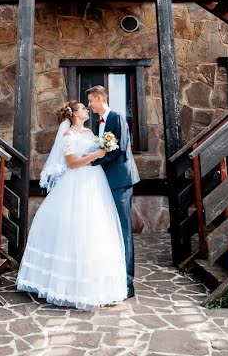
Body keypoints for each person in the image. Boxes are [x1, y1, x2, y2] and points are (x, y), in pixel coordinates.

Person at [15, 100, 128, 309]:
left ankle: (96, 285)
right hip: (77, 184)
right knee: (76, 230)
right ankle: (67, 285)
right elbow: (72, 163)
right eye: (83, 108)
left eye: (86, 107)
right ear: (74, 114)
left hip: (95, 183)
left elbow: (93, 152)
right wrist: (97, 154)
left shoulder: (88, 133)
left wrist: (104, 146)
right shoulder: (68, 136)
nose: (87, 110)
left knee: (96, 229)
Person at [86, 85, 140, 298]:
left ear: (99, 98)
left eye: (91, 100)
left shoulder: (115, 117)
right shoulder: (100, 123)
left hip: (120, 181)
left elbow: (117, 151)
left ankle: (128, 284)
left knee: (124, 230)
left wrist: (91, 164)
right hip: (108, 181)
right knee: (112, 229)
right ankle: (115, 277)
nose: (89, 105)